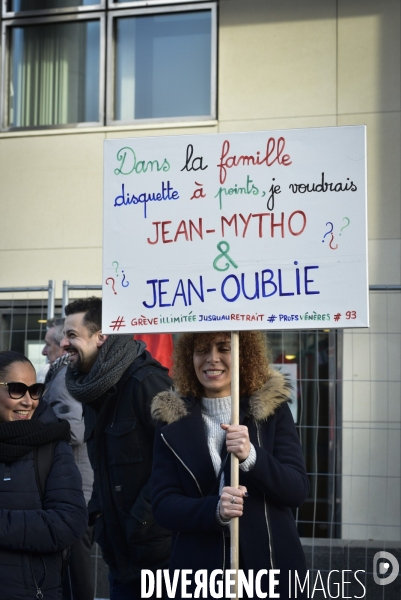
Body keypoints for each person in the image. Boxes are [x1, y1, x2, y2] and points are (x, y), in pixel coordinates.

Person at [151, 331, 310, 599]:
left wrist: (252, 457)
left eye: (224, 348)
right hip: (199, 578)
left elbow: (296, 490)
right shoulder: (171, 421)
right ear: (189, 357)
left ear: (243, 355)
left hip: (269, 570)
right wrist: (214, 510)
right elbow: (163, 505)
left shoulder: (271, 411)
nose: (212, 359)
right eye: (201, 350)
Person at [60, 297, 173, 600]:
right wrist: (99, 515)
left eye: (72, 335)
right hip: (120, 557)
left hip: (160, 562)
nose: (63, 343)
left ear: (101, 337)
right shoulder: (94, 388)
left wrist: (142, 522)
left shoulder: (147, 382)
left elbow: (179, 462)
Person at [0, 350, 88, 600]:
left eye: (35, 390)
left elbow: (69, 522)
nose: (29, 401)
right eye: (17, 389)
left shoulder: (51, 445)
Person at [43, 318, 95, 600]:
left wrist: (34, 432)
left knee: (77, 568)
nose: (44, 351)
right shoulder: (63, 375)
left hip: (76, 490)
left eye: (49, 344)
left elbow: (75, 429)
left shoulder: (64, 378)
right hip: (78, 487)